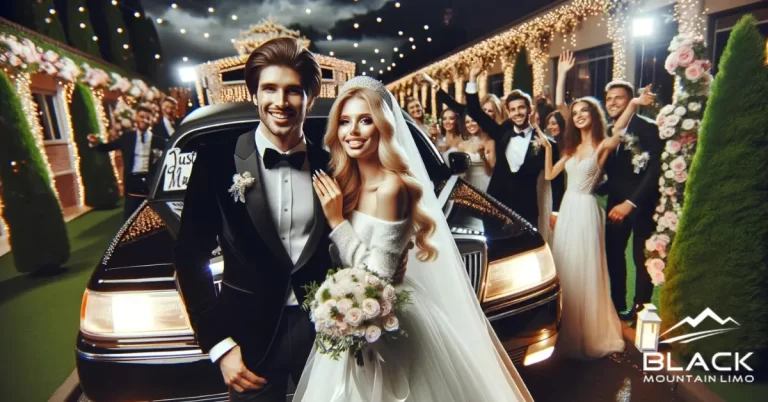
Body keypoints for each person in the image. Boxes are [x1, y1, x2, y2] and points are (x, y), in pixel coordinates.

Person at [293, 76, 533, 402]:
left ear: (383, 127)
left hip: (391, 321)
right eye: (346, 122)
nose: (353, 131)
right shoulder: (345, 184)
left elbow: (378, 275)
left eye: (365, 120)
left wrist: (337, 221)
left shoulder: (393, 187)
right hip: (357, 319)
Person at [173, 38, 384, 402]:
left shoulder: (335, 165)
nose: (281, 102)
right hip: (247, 338)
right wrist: (220, 345)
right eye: (269, 89)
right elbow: (190, 258)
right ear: (254, 94)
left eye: (293, 91)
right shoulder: (216, 161)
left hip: (326, 333)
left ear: (310, 98)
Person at [537, 96, 628, 359]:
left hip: (587, 210)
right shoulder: (571, 148)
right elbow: (550, 175)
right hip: (567, 210)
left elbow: (619, 129)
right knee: (565, 265)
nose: (577, 116)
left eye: (583, 111)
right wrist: (546, 148)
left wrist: (632, 104)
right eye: (574, 113)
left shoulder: (603, 145)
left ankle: (589, 332)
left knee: (586, 267)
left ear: (593, 115)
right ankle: (564, 327)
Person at [462, 60, 565, 230]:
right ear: (508, 112)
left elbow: (557, 180)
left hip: (526, 209)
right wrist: (472, 78)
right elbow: (475, 111)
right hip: (495, 205)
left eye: (521, 108)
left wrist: (556, 211)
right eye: (513, 109)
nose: (518, 113)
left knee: (524, 254)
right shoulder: (501, 132)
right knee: (494, 251)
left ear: (530, 109)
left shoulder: (548, 144)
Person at [602, 80, 664, 321]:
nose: (613, 103)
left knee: (641, 258)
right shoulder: (609, 131)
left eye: (618, 98)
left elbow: (654, 169)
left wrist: (632, 202)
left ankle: (640, 310)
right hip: (614, 204)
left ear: (631, 102)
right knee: (613, 255)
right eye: (609, 99)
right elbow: (613, 172)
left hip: (641, 204)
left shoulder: (648, 128)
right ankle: (616, 306)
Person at [88, 104, 166, 219]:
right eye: (141, 116)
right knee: (131, 216)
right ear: (136, 118)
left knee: (152, 215)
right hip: (132, 181)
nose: (144, 120)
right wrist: (94, 143)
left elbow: (171, 150)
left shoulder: (158, 140)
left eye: (147, 118)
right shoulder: (127, 137)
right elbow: (107, 147)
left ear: (151, 120)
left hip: (151, 182)